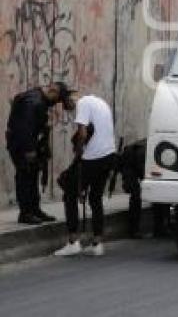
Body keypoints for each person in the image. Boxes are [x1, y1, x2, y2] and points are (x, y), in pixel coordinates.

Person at [54, 92, 116, 257]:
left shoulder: (82, 104)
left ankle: (73, 242)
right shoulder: (101, 102)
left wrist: (79, 153)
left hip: (92, 158)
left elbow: (82, 133)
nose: (69, 110)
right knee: (95, 198)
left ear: (70, 99)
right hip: (108, 156)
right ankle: (97, 244)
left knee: (70, 194)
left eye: (67, 106)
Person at [5, 81, 71, 224]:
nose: (57, 103)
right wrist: (29, 150)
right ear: (53, 91)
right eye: (58, 99)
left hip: (28, 144)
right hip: (21, 146)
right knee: (25, 177)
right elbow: (25, 128)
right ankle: (25, 213)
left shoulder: (40, 99)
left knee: (33, 176)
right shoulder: (33, 101)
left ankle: (34, 210)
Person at [119, 138, 170, 238]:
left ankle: (155, 228)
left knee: (141, 194)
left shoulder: (159, 146)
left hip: (134, 157)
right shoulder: (158, 149)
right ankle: (156, 228)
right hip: (135, 159)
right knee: (144, 193)